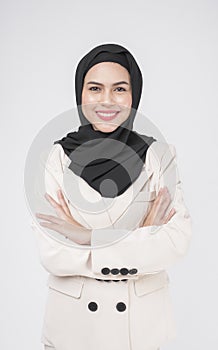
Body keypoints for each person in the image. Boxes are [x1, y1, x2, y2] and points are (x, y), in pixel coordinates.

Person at [31, 43, 192, 350]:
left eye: (119, 89)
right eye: (94, 88)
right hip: (73, 329)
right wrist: (142, 235)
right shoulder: (52, 159)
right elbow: (53, 253)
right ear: (80, 93)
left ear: (134, 95)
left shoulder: (160, 156)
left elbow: (176, 242)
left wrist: (85, 236)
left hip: (140, 331)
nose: (107, 100)